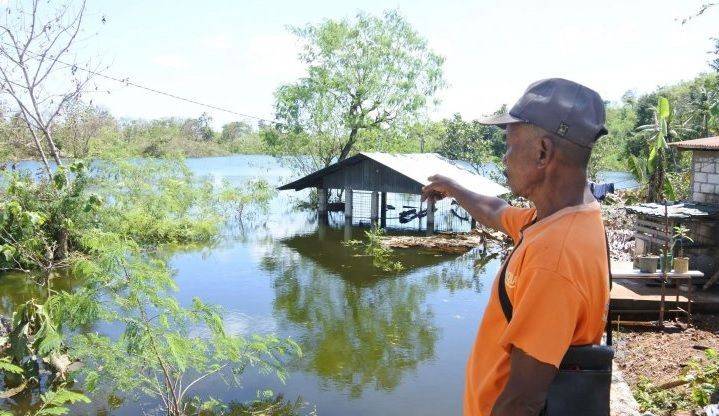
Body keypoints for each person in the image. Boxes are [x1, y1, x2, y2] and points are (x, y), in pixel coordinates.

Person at [421, 78, 611, 416]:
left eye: (509, 145)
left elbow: (523, 401)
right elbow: (496, 211)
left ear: (542, 152)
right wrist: (453, 187)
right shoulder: (562, 218)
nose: (503, 158)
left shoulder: (555, 257)